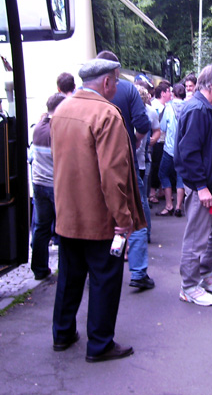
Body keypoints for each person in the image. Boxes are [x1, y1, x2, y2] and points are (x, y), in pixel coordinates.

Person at [51, 58, 146, 362]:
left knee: (69, 277)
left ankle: (62, 334)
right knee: (105, 279)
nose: (116, 87)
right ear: (106, 82)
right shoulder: (107, 114)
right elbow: (113, 174)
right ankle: (100, 343)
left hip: (68, 214)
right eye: (116, 81)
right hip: (100, 219)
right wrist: (124, 219)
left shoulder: (61, 109)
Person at [174, 64, 212, 307]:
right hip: (202, 184)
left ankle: (204, 273)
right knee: (197, 235)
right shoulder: (198, 109)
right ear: (211, 84)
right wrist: (201, 186)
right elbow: (188, 152)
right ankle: (189, 286)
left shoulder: (206, 108)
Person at [96, 50, 154, 290]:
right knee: (134, 212)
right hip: (124, 162)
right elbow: (143, 124)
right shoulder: (129, 90)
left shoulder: (85, 93)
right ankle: (138, 272)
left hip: (94, 165)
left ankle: (99, 270)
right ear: (114, 71)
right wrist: (135, 142)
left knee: (101, 213)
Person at [30, 93, 66, 280]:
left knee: (41, 227)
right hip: (56, 185)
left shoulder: (38, 128)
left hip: (39, 184)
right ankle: (66, 269)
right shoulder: (58, 129)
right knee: (64, 228)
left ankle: (39, 269)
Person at [157, 83, 185, 217]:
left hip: (169, 149)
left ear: (173, 94)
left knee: (163, 174)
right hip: (183, 150)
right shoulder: (188, 107)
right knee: (181, 176)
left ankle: (169, 205)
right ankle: (179, 206)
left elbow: (162, 127)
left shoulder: (168, 108)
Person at [149, 81, 172, 204]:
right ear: (163, 93)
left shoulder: (167, 106)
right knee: (156, 165)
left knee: (162, 167)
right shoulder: (154, 106)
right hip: (157, 141)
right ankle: (152, 192)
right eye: (169, 91)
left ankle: (162, 190)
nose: (171, 94)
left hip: (164, 141)